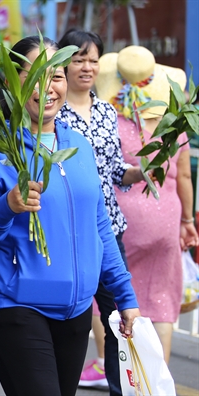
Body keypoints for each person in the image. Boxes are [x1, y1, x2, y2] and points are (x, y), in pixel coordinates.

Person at [0, 36, 140, 396]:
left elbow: (100, 226)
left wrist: (126, 297)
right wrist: (7, 206)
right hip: (16, 304)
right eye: (35, 76)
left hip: (74, 311)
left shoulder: (79, 146)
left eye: (56, 76)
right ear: (13, 82)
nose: (48, 88)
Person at [56, 28, 146, 393]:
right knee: (70, 320)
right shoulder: (50, 111)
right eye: (78, 59)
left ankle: (118, 389)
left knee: (118, 322)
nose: (86, 67)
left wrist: (142, 172)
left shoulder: (108, 111)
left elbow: (114, 170)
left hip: (109, 229)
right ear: (61, 63)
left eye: (93, 60)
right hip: (67, 231)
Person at [97, 45, 199, 364]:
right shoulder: (175, 128)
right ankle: (158, 376)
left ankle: (108, 365)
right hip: (167, 217)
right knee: (163, 301)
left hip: (126, 219)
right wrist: (187, 221)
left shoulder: (110, 121)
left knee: (114, 296)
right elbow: (183, 177)